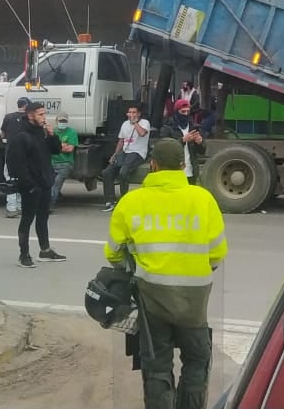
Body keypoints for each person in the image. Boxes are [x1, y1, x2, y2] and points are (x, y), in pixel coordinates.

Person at [103, 138, 228, 409]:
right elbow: (217, 252)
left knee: (156, 363)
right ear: (183, 166)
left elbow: (113, 252)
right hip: (194, 302)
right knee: (197, 360)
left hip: (152, 297)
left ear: (153, 165)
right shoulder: (202, 199)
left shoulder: (131, 201)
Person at [4, 101, 67, 268]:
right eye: (40, 114)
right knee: (27, 219)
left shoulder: (42, 132)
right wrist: (28, 183)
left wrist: (52, 135)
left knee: (43, 217)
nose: (44, 117)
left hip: (45, 181)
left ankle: (45, 250)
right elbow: (16, 163)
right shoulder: (21, 135)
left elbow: (56, 150)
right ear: (30, 115)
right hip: (31, 185)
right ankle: (23, 254)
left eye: (44, 114)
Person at [103, 104, 150, 211]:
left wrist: (135, 123)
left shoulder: (144, 123)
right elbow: (121, 141)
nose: (131, 114)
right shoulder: (124, 124)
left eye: (134, 112)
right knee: (107, 172)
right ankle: (110, 201)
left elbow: (142, 133)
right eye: (130, 112)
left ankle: (124, 200)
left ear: (138, 114)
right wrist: (114, 155)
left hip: (137, 152)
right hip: (125, 152)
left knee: (123, 172)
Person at [160, 99, 204, 185]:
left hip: (191, 171)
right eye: (183, 112)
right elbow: (165, 148)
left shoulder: (193, 127)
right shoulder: (167, 128)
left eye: (188, 112)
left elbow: (202, 151)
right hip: (174, 171)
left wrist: (200, 142)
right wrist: (182, 140)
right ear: (176, 112)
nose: (186, 114)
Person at [0, 97, 30, 219]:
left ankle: (11, 209)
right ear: (26, 106)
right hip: (26, 154)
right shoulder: (29, 118)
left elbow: (2, 134)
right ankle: (21, 207)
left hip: (11, 153)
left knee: (11, 179)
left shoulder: (8, 117)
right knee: (23, 179)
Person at [50, 112, 78, 205]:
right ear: (56, 121)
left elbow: (70, 149)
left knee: (56, 183)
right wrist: (62, 146)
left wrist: (56, 146)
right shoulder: (52, 132)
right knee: (49, 183)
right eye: (60, 121)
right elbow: (48, 147)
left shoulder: (72, 132)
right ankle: (55, 196)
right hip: (52, 162)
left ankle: (48, 205)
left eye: (64, 121)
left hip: (65, 163)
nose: (62, 123)